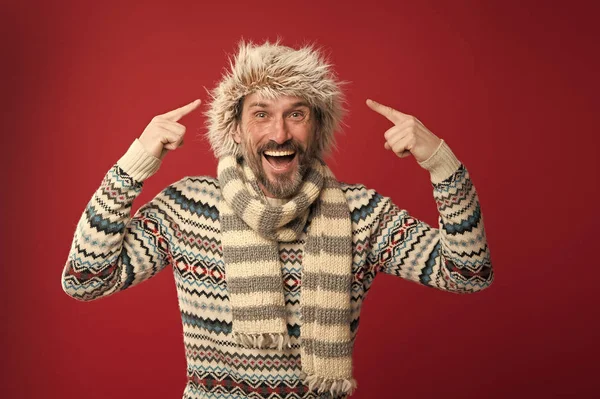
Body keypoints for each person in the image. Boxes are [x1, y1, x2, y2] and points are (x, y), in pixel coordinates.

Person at [62, 40, 493, 399]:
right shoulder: (187, 206)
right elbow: (86, 279)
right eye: (262, 113)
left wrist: (441, 163)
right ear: (235, 129)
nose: (281, 133)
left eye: (296, 114)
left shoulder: (362, 215)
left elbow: (468, 273)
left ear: (316, 127)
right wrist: (134, 164)